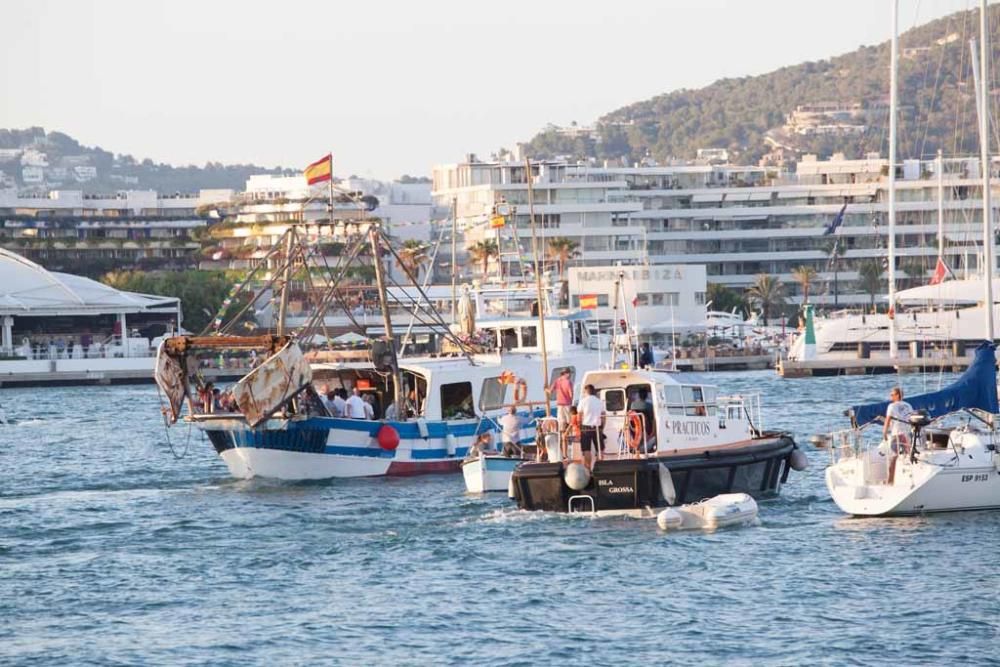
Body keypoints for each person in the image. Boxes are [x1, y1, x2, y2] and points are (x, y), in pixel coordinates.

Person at [883, 386, 913, 484]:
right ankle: (912, 477)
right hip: (907, 433)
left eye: (892, 394)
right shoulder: (908, 405)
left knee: (893, 457)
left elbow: (888, 420)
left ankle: (890, 481)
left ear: (897, 395)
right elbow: (911, 418)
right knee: (909, 455)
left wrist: (884, 432)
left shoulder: (891, 406)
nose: (890, 396)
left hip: (896, 434)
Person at [577, 384, 605, 469]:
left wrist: (580, 427)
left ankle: (588, 469)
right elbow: (603, 416)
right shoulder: (599, 402)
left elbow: (580, 416)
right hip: (597, 427)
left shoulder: (583, 401)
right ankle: (599, 468)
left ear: (586, 391)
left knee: (586, 449)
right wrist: (602, 428)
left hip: (586, 427)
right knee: (600, 449)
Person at [547, 368, 575, 433]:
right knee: (569, 421)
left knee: (561, 422)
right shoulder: (568, 382)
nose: (570, 374)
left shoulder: (557, 381)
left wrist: (545, 389)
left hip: (559, 404)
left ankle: (561, 437)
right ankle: (569, 435)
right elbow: (571, 394)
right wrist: (572, 403)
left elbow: (550, 391)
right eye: (569, 373)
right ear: (566, 374)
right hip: (567, 404)